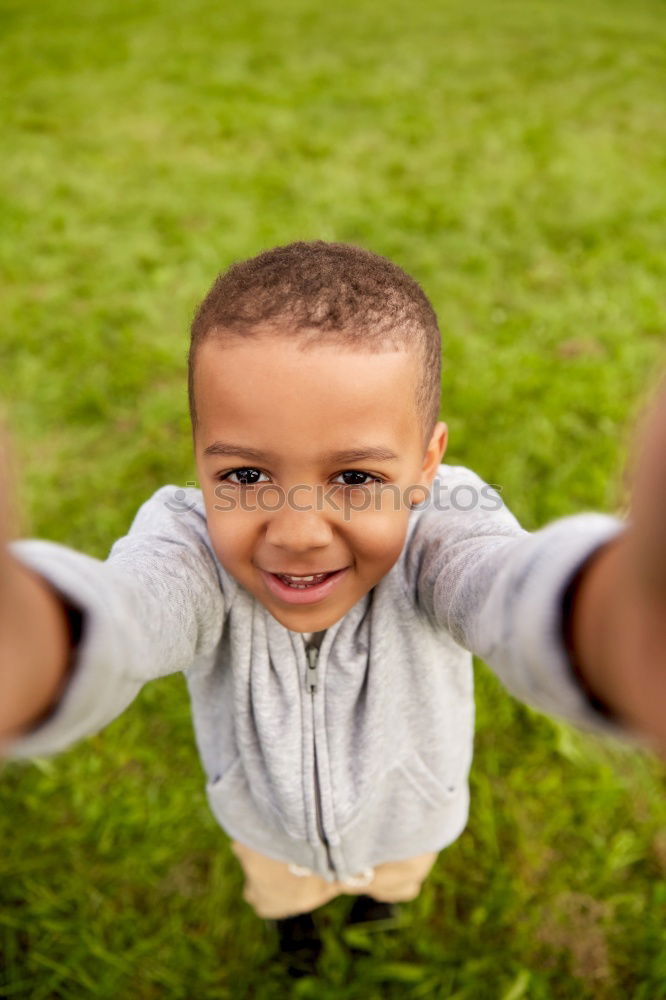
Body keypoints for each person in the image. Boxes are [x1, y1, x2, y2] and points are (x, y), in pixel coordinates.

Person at [0, 241, 664, 977]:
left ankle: (380, 910)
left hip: (412, 816)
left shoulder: (442, 527)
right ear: (199, 461)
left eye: (355, 476)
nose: (296, 532)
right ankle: (299, 938)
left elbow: (503, 585)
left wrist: (614, 610)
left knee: (394, 879)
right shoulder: (190, 546)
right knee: (282, 892)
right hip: (264, 823)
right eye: (246, 474)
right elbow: (130, 613)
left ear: (427, 465)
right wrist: (33, 634)